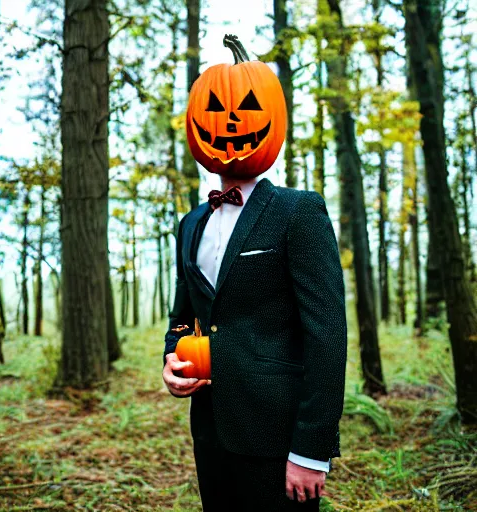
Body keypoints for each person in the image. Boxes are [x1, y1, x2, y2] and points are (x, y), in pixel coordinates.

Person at [162, 35, 347, 512]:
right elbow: (185, 317)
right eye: (215, 109)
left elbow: (326, 334)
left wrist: (311, 450)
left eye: (244, 106)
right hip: (210, 432)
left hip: (279, 438)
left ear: (271, 119)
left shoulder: (298, 212)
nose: (228, 121)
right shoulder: (190, 224)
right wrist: (172, 359)